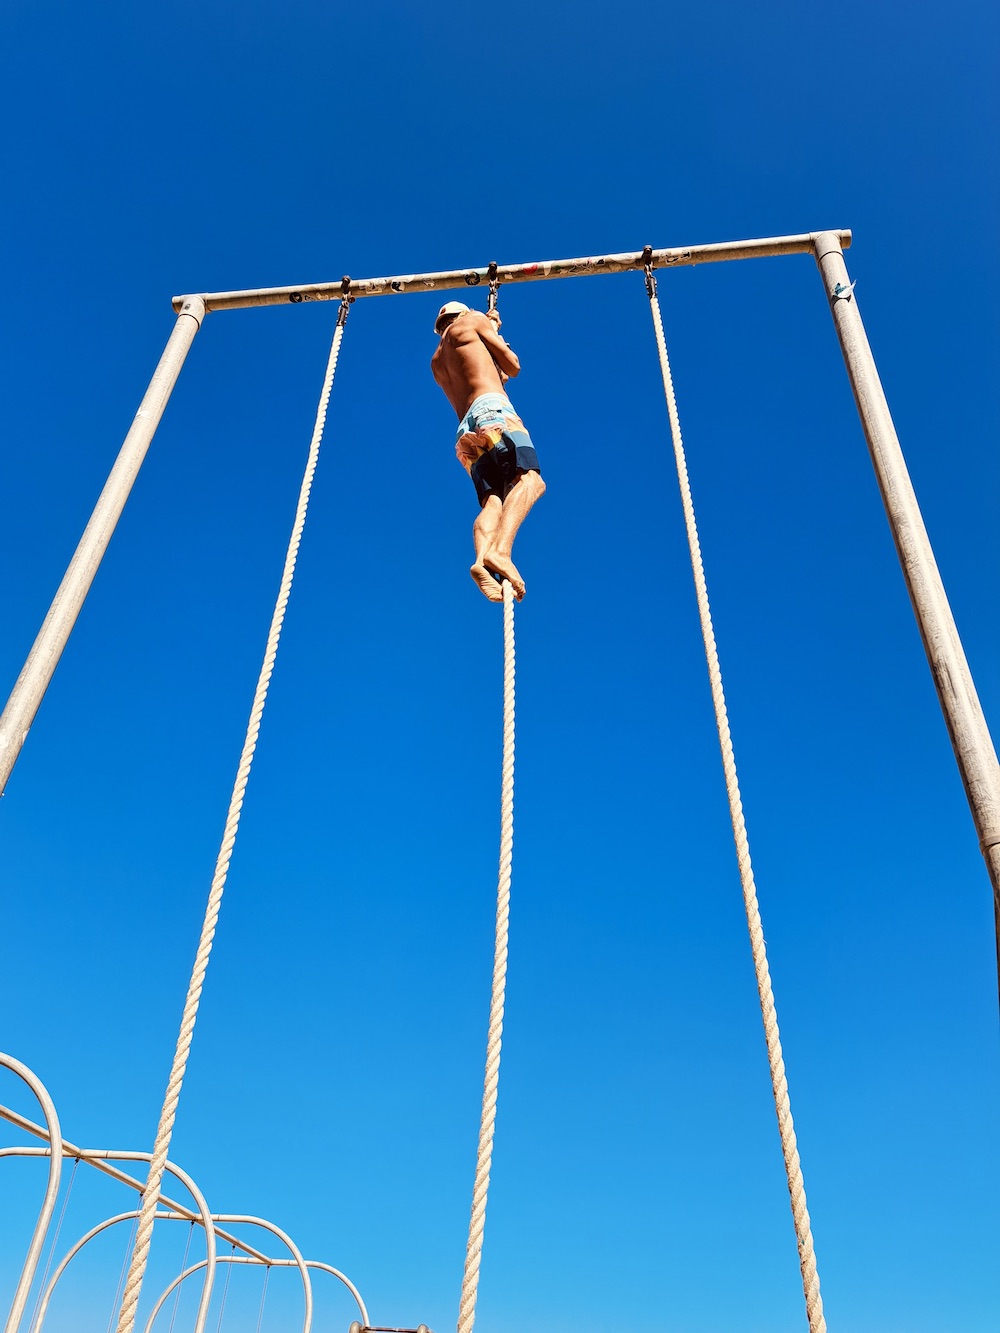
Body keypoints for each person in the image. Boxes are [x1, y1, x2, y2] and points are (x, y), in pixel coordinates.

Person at [431, 300, 545, 602]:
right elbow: (513, 367)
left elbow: (491, 373)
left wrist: (489, 333)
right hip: (493, 411)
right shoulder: (471, 321)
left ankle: (481, 560)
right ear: (463, 314)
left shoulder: (437, 361)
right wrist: (492, 330)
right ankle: (500, 552)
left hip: (466, 429)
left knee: (493, 500)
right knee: (531, 481)